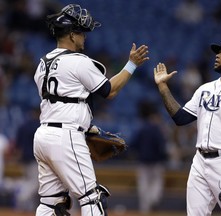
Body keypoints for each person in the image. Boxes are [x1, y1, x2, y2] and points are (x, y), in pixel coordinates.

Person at [33, 4, 149, 216]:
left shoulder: (42, 63)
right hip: (66, 135)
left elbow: (62, 100)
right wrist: (131, 64)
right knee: (92, 197)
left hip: (43, 137)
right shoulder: (78, 61)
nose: (85, 37)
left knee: (50, 203)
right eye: (82, 32)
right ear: (71, 34)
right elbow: (109, 91)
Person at [153, 38, 221, 216]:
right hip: (199, 161)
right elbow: (181, 118)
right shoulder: (205, 89)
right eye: (217, 53)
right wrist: (163, 87)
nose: (217, 56)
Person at [129, 101, 167, 214]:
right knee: (156, 183)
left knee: (143, 186)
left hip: (143, 161)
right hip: (156, 162)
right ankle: (153, 200)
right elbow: (162, 145)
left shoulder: (141, 128)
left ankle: (145, 209)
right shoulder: (157, 128)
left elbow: (133, 144)